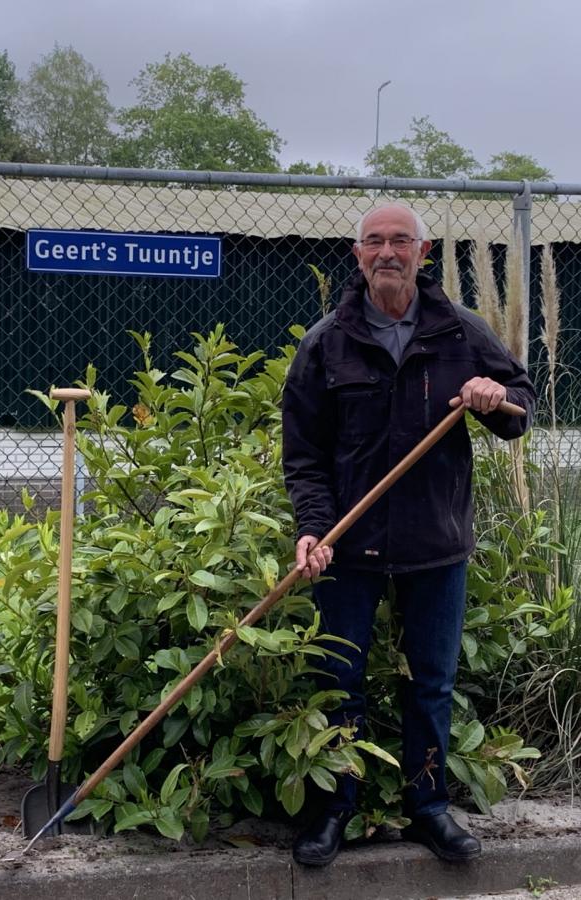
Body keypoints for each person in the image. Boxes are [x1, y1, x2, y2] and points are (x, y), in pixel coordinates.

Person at [281, 202, 535, 867]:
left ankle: (427, 808)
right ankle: (335, 807)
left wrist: (492, 394)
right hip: (349, 546)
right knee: (339, 680)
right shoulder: (325, 343)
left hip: (435, 544)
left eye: (400, 241)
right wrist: (313, 530)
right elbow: (304, 456)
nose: (387, 252)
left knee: (430, 683)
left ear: (423, 254)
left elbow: (520, 407)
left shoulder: (460, 332)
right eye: (374, 242)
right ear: (357, 254)